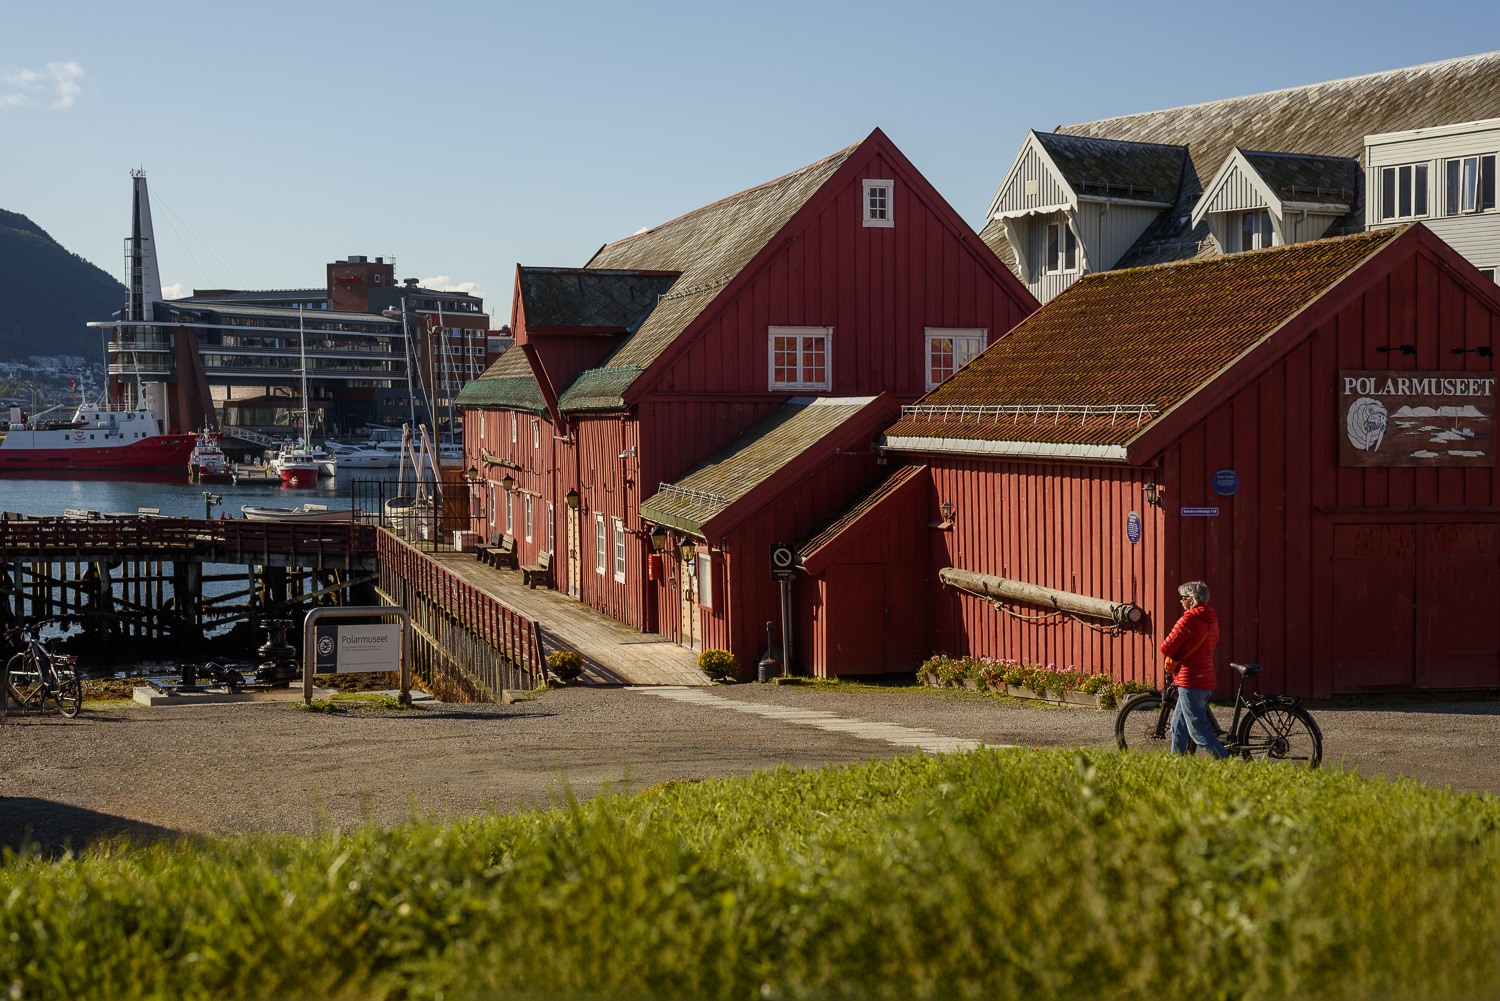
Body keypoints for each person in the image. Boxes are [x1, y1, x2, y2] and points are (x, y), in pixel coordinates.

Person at [1160, 580, 1228, 759]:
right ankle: (1177, 765)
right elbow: (1212, 643)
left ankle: (1227, 762)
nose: (1180, 602)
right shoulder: (1211, 619)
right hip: (1206, 679)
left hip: (1190, 680)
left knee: (1198, 732)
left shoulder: (1189, 619)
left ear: (1191, 599)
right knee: (1178, 727)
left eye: (1182, 598)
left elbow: (1166, 647)